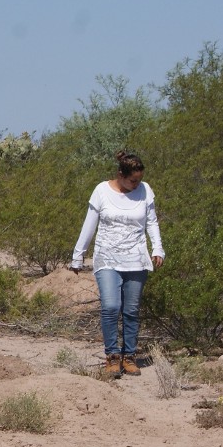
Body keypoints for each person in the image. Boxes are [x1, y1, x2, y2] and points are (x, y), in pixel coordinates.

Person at [70, 150, 165, 378]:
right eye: (133, 180)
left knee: (131, 310)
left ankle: (129, 356)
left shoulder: (145, 190)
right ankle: (112, 356)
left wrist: (158, 248)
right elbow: (89, 224)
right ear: (120, 174)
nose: (136, 184)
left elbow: (151, 222)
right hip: (107, 258)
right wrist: (78, 255)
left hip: (136, 259)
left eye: (139, 179)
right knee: (111, 307)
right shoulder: (101, 190)